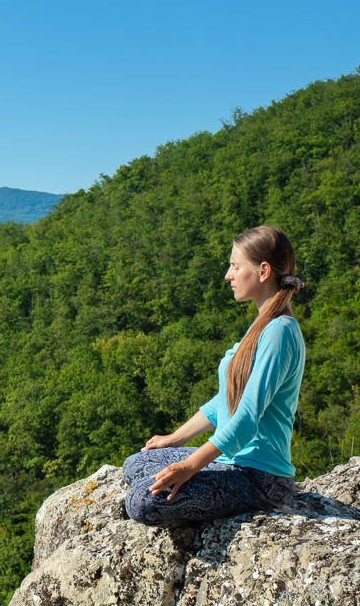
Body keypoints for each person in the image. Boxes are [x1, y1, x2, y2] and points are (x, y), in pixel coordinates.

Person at [123, 224, 306, 527]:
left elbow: (246, 418)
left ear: (263, 271)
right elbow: (227, 399)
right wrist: (174, 439)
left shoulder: (280, 332)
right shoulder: (263, 324)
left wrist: (190, 466)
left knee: (142, 502)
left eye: (235, 266)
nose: (228, 275)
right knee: (136, 463)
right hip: (232, 463)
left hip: (260, 477)